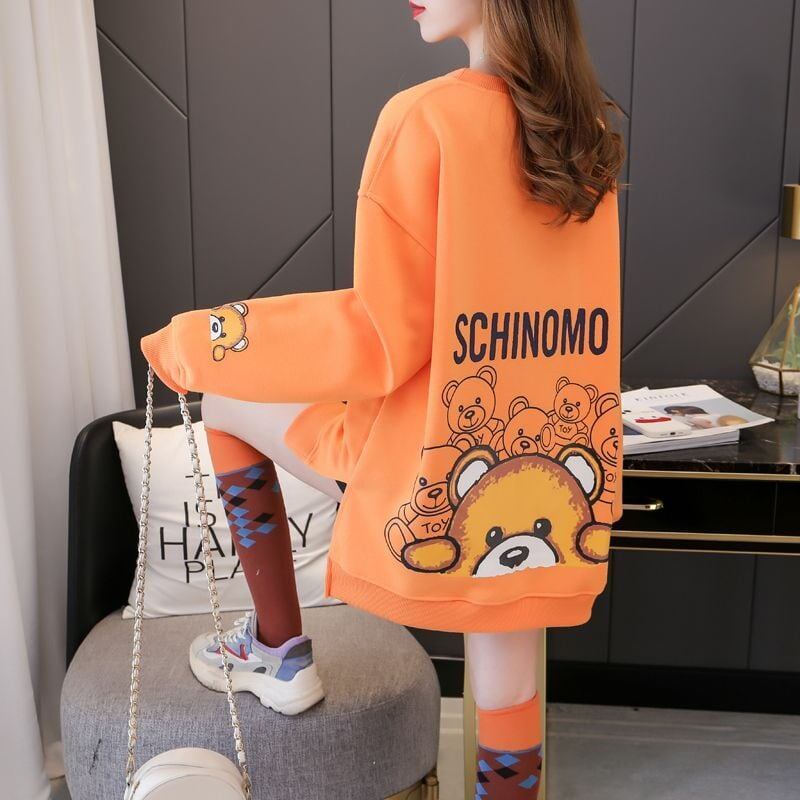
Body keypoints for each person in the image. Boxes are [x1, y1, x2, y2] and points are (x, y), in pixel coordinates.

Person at [141, 1, 625, 795]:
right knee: (508, 675)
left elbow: (378, 338)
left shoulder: (423, 118)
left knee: (221, 397)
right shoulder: (584, 133)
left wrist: (210, 339)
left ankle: (277, 650)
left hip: (421, 476)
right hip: (545, 477)